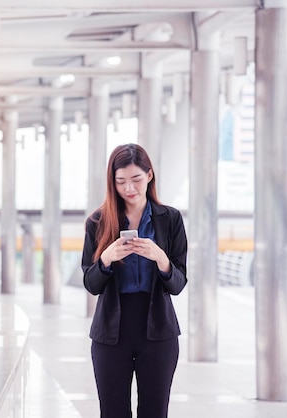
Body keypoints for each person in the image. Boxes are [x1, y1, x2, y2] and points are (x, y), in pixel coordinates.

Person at [81, 143, 188, 418]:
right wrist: (106, 258)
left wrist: (160, 258)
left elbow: (178, 284)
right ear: (112, 182)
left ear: (149, 176)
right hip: (111, 333)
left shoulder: (170, 219)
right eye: (121, 181)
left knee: (154, 412)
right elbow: (91, 284)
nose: (129, 188)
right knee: (113, 412)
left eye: (136, 179)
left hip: (158, 332)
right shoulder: (98, 221)